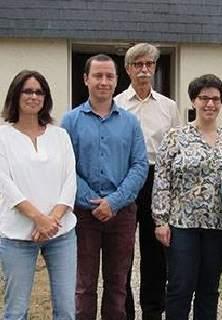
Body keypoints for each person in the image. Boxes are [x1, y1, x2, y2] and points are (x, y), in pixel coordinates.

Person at [61, 54, 149, 320]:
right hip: (83, 215)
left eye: (109, 76)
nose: (104, 81)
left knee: (117, 284)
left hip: (121, 215)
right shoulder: (70, 121)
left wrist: (115, 201)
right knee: (84, 285)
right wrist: (92, 200)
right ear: (86, 79)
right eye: (98, 76)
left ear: (116, 80)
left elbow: (140, 165)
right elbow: (66, 168)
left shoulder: (130, 122)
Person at [152, 74, 222, 320]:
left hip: (219, 226)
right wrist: (161, 221)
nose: (210, 104)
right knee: (180, 286)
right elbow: (162, 179)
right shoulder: (176, 136)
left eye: (215, 99)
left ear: (221, 102)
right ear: (193, 101)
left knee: (209, 288)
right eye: (203, 98)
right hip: (182, 225)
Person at [0, 70, 77, 319]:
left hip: (61, 233)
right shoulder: (3, 136)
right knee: (16, 310)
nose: (33, 96)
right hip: (17, 234)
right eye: (27, 91)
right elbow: (5, 183)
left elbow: (69, 180)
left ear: (45, 98)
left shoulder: (60, 135)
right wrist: (39, 219)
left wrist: (51, 220)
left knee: (66, 310)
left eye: (39, 91)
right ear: (16, 94)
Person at [114, 43, 181, 320]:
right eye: (138, 64)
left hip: (158, 179)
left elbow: (177, 148)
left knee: (155, 254)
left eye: (149, 64)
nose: (144, 69)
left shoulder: (168, 106)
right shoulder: (116, 104)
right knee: (123, 251)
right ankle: (125, 311)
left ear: (154, 68)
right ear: (128, 69)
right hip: (126, 179)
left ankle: (153, 311)